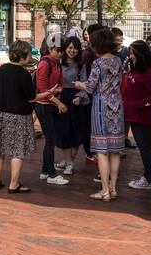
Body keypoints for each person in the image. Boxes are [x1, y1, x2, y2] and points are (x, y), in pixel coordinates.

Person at [75, 26, 125, 201]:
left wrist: (79, 85)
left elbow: (90, 86)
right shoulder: (118, 61)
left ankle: (105, 190)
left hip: (100, 106)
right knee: (115, 150)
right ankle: (113, 188)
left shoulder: (98, 63)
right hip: (117, 106)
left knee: (102, 150)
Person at [0, 39, 39, 192]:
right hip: (19, 115)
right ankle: (14, 184)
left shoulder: (1, 70)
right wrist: (47, 94)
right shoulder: (24, 74)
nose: (30, 57)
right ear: (23, 56)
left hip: (0, 113)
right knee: (17, 150)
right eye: (29, 54)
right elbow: (31, 98)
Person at [54, 37, 90, 174]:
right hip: (62, 99)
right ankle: (68, 162)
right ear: (64, 49)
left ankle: (69, 162)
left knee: (75, 133)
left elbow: (85, 83)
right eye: (69, 47)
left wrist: (79, 97)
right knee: (64, 132)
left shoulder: (81, 65)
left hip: (76, 100)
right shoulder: (58, 64)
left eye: (75, 48)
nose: (72, 50)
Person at [34, 41, 67, 184]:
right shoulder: (44, 64)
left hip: (51, 104)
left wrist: (57, 93)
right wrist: (58, 101)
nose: (60, 53)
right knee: (50, 140)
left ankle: (45, 170)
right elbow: (42, 89)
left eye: (62, 50)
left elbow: (60, 84)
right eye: (58, 50)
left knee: (50, 139)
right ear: (50, 49)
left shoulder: (56, 63)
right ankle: (51, 175)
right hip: (44, 106)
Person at [123, 40, 151, 190]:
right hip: (133, 114)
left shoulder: (149, 73)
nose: (130, 56)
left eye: (132, 53)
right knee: (143, 147)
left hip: (142, 116)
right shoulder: (135, 69)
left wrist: (138, 105)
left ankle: (149, 178)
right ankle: (149, 176)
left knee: (145, 147)